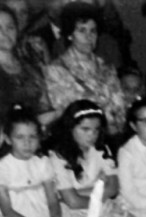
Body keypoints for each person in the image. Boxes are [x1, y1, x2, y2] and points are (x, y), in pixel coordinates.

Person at [0, 3, 56, 151]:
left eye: (10, 27)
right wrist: (16, 132)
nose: (5, 33)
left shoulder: (30, 66)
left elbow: (44, 106)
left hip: (33, 141)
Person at [44, 1, 126, 138]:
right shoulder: (56, 70)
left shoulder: (107, 68)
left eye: (93, 31)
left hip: (111, 136)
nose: (89, 37)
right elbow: (68, 113)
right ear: (70, 34)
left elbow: (120, 109)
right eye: (82, 30)